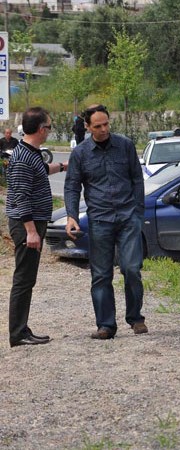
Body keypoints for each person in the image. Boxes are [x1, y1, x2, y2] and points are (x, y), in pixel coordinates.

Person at [64, 104, 147, 340]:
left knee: (131, 268)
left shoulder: (125, 145)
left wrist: (138, 213)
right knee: (101, 274)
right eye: (98, 126)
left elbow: (137, 180)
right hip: (100, 219)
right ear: (88, 127)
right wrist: (71, 215)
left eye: (106, 124)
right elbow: (71, 186)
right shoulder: (80, 153)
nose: (103, 129)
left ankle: (136, 317)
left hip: (128, 216)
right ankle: (106, 325)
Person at [6, 107, 68, 347]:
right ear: (42, 129)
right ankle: (18, 333)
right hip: (26, 226)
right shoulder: (23, 157)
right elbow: (20, 197)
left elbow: (41, 171)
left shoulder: (30, 153)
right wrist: (31, 231)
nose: (50, 131)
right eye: (49, 126)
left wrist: (63, 167)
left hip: (33, 223)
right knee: (24, 279)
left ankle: (21, 329)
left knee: (27, 278)